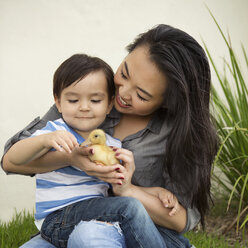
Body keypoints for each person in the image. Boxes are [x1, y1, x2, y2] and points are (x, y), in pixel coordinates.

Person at [2, 24, 219, 248]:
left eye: (141, 95)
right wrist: (69, 159)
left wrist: (128, 190)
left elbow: (182, 219)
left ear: (167, 102)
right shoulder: (88, 97)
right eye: (124, 74)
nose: (123, 93)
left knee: (87, 235)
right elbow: (10, 161)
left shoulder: (180, 133)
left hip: (146, 234)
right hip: (76, 221)